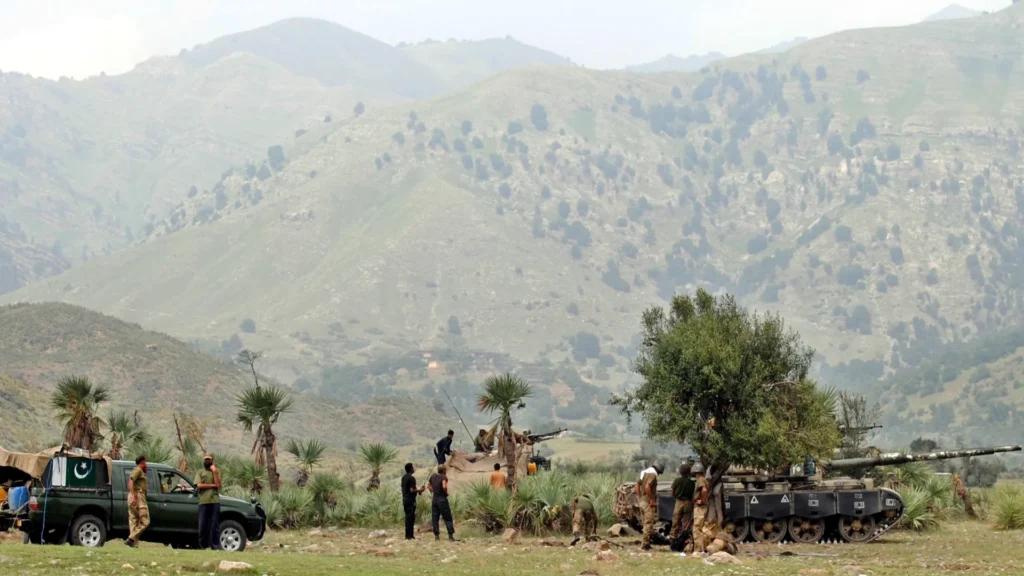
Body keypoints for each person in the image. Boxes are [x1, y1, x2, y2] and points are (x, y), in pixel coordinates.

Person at [195, 453, 222, 550]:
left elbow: (218, 484)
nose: (207, 461)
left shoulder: (216, 471)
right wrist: (212, 485)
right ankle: (203, 546)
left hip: (214, 501)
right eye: (205, 459)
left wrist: (214, 472)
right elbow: (198, 485)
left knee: (215, 525)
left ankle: (215, 546)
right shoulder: (200, 472)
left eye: (209, 460)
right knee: (202, 525)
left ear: (212, 460)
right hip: (203, 501)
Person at [636, 460, 664, 551]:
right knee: (648, 524)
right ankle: (645, 545)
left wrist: (640, 496)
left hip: (642, 501)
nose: (658, 474)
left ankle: (646, 543)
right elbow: (647, 487)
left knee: (645, 523)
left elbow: (637, 484)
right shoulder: (653, 474)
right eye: (659, 472)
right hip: (648, 502)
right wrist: (652, 499)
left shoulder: (644, 472)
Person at [124, 455, 149, 548]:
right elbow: (131, 481)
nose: (146, 465)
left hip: (134, 495)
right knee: (145, 521)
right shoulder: (138, 470)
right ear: (142, 462)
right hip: (138, 495)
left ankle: (133, 544)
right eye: (145, 462)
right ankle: (131, 538)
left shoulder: (138, 470)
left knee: (134, 520)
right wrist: (134, 496)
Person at [427, 465, 458, 542]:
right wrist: (446, 493)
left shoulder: (433, 476)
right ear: (444, 470)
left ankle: (436, 536)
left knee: (435, 518)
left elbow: (428, 486)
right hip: (442, 499)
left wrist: (434, 490)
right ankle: (450, 536)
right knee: (447, 517)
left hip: (434, 499)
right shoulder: (443, 477)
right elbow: (444, 486)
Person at [401, 463, 426, 540]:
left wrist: (418, 491)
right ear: (410, 469)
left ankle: (407, 535)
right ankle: (410, 536)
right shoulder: (412, 478)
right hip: (411, 500)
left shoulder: (403, 478)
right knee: (411, 517)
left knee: (407, 517)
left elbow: (408, 489)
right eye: (412, 467)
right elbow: (412, 490)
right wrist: (420, 490)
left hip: (405, 499)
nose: (413, 469)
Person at [670, 463, 694, 541]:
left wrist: (676, 496)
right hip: (688, 502)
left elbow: (672, 492)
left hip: (679, 502)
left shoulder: (677, 480)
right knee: (686, 521)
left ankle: (673, 536)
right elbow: (693, 494)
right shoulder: (691, 482)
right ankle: (685, 537)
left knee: (676, 519)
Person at [691, 463, 709, 553]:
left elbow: (704, 490)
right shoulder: (703, 479)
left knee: (697, 528)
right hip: (701, 507)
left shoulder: (700, 480)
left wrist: (701, 500)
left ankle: (698, 550)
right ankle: (703, 548)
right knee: (700, 528)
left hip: (700, 507)